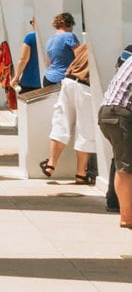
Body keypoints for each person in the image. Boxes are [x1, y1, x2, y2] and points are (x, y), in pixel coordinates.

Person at [40, 12, 92, 183]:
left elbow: (49, 61)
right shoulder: (70, 37)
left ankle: (51, 163)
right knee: (84, 127)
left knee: (60, 120)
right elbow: (80, 56)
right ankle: (80, 173)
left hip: (56, 78)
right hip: (80, 82)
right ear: (70, 24)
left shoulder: (50, 39)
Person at [97, 51, 132, 228]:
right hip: (120, 114)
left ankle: (116, 203)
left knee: (122, 162)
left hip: (111, 113)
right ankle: (126, 217)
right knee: (125, 166)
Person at [9, 18, 41, 94]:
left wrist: (16, 78)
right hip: (47, 82)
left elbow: (23, 59)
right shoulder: (52, 37)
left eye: (31, 22)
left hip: (30, 81)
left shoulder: (30, 38)